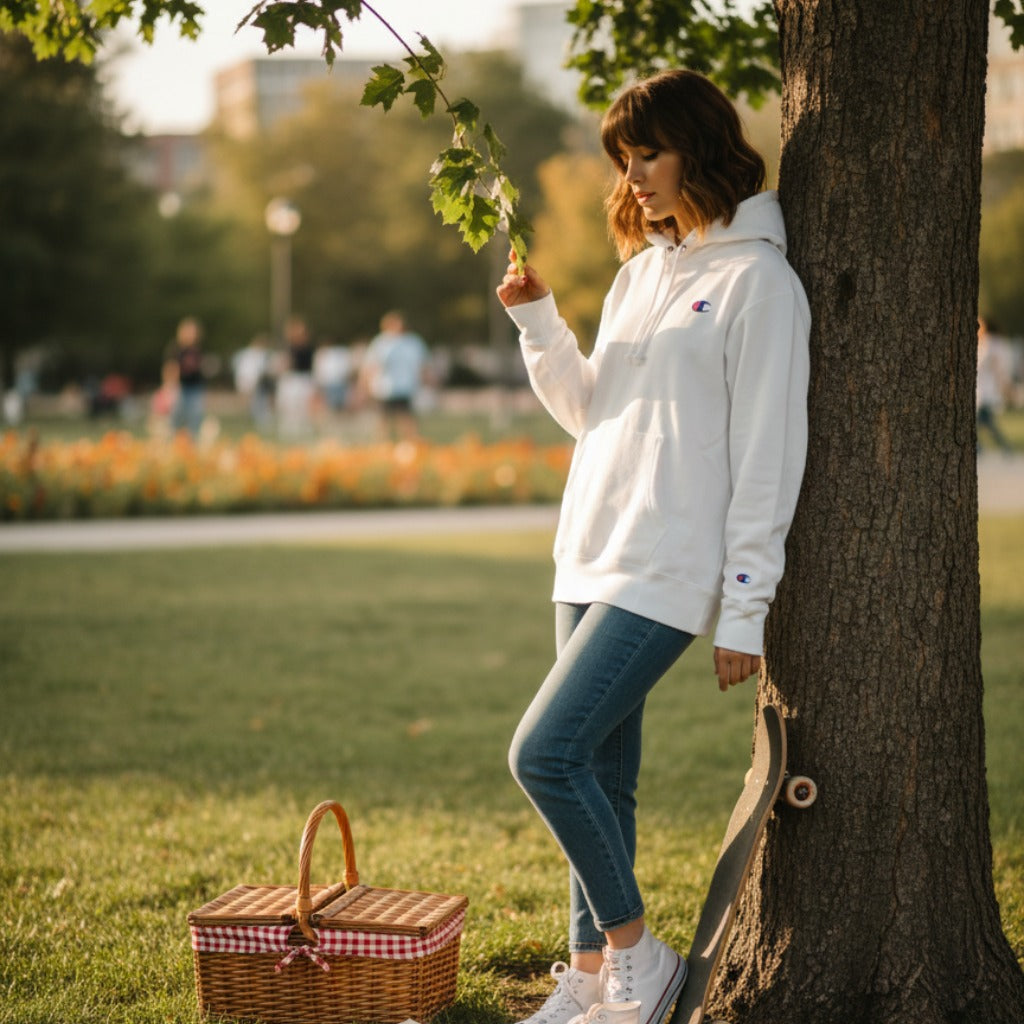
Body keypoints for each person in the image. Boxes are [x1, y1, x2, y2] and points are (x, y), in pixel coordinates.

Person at [496, 70, 810, 1024]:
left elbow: (770, 456)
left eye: (649, 155)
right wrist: (540, 323)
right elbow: (593, 412)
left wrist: (746, 604)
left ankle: (642, 957)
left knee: (544, 755)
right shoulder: (641, 274)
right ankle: (589, 983)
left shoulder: (761, 282)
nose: (633, 178)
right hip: (588, 551)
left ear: (701, 150)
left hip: (667, 568)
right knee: (600, 777)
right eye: (623, 161)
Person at [359, 311, 431, 440]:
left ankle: (411, 442)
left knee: (406, 417)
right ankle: (382, 444)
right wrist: (365, 385)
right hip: (384, 387)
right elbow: (371, 366)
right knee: (383, 418)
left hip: (405, 385)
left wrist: (426, 379)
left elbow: (422, 364)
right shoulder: (381, 342)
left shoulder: (413, 342)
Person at [976, 316, 1013, 454]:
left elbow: (998, 368)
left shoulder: (992, 343)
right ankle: (1004, 448)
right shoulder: (990, 343)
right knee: (987, 424)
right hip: (985, 390)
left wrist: (1005, 386)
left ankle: (979, 448)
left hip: (987, 391)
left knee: (979, 422)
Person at [167, 316, 205, 437]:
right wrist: (170, 386)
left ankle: (192, 439)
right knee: (177, 414)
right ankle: (174, 439)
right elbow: (171, 367)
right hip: (180, 387)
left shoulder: (197, 349)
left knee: (195, 414)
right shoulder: (176, 348)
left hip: (195, 387)